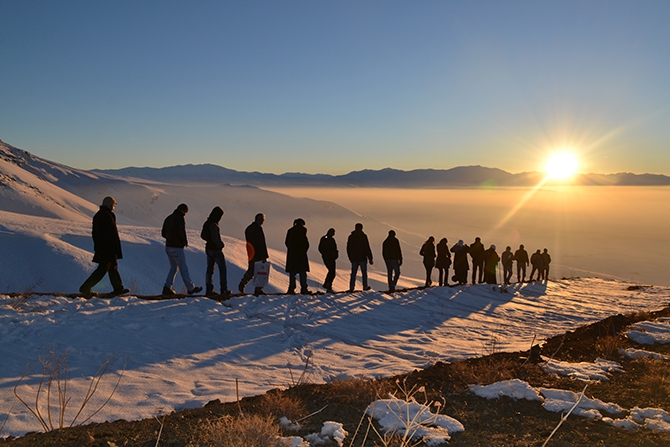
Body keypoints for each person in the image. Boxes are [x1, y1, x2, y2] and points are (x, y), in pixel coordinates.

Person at [79, 196, 129, 297]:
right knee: (103, 269)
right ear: (109, 205)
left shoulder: (100, 215)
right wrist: (114, 248)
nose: (113, 207)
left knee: (112, 268)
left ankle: (118, 288)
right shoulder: (106, 216)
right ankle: (85, 288)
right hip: (107, 249)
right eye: (113, 205)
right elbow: (111, 234)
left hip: (104, 248)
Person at [162, 204, 202, 295]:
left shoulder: (168, 218)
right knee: (183, 268)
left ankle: (167, 287)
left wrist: (170, 239)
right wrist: (183, 241)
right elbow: (181, 232)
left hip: (168, 246)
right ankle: (190, 288)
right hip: (176, 247)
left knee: (173, 268)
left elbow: (163, 233)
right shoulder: (179, 218)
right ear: (183, 211)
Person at [201, 206, 230, 298]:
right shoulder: (214, 224)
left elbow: (203, 235)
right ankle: (224, 290)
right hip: (215, 250)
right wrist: (221, 245)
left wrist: (209, 241)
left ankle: (209, 290)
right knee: (222, 269)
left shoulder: (207, 223)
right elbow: (215, 238)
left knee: (210, 270)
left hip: (208, 249)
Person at [238, 213, 270, 296]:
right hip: (258, 254)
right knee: (259, 271)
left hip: (251, 253)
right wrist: (264, 256)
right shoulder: (258, 229)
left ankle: (243, 283)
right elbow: (261, 243)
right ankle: (258, 289)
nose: (263, 222)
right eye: (262, 220)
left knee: (251, 270)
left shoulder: (249, 228)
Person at [285, 218, 310, 294]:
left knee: (292, 273)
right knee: (302, 272)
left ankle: (291, 288)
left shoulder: (290, 231)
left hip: (292, 255)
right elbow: (306, 243)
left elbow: (287, 242)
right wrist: (303, 250)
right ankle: (304, 288)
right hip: (301, 255)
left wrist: (292, 249)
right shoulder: (303, 231)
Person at [346, 223, 373, 292]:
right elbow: (367, 247)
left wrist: (350, 257)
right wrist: (370, 258)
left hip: (354, 258)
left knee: (353, 273)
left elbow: (348, 248)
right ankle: (365, 286)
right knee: (364, 273)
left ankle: (351, 287)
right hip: (362, 258)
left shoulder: (351, 236)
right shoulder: (363, 236)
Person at [318, 228, 338, 293]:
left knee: (331, 271)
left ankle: (327, 284)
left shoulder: (325, 238)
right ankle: (328, 286)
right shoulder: (329, 239)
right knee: (332, 272)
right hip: (329, 258)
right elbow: (321, 248)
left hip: (328, 257)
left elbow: (320, 248)